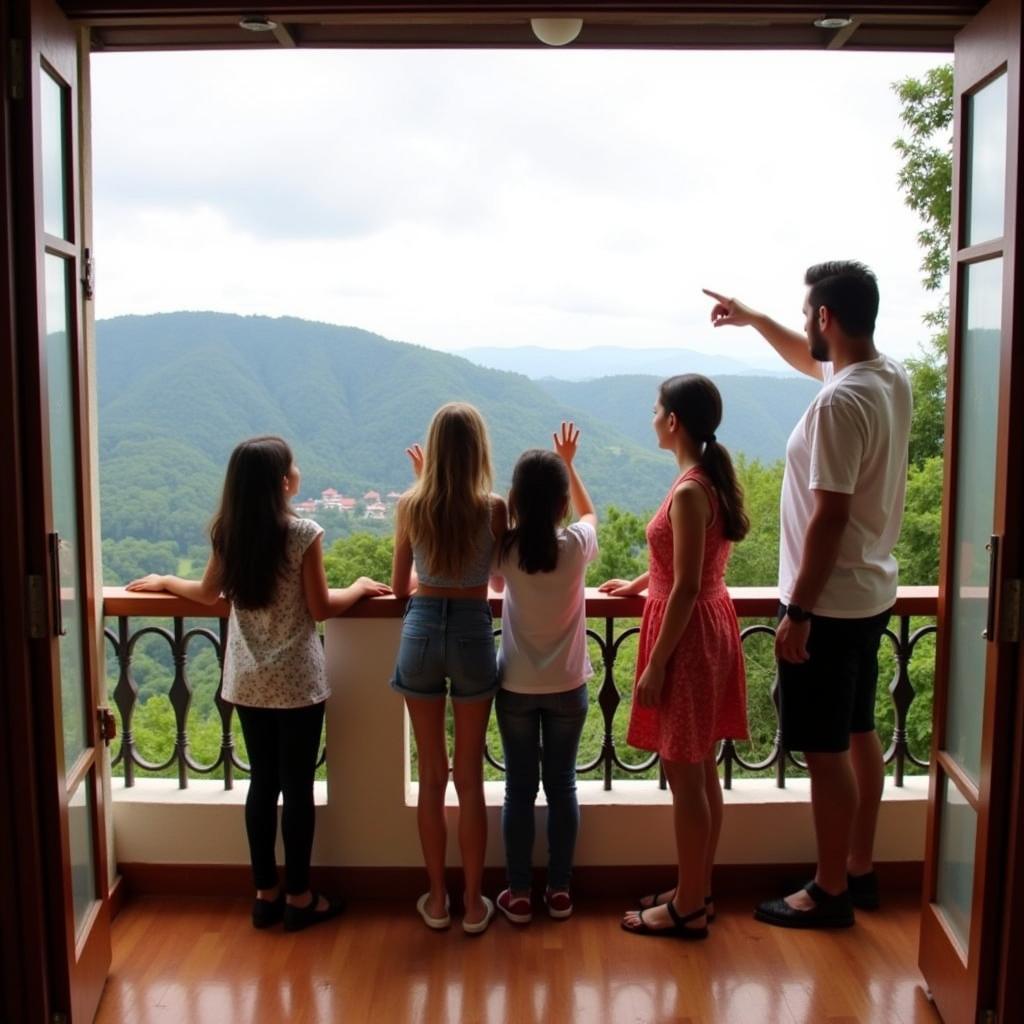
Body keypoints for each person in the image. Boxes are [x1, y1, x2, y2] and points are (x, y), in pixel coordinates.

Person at [704, 261, 911, 928]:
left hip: (829, 604)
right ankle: (858, 868)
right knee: (858, 734)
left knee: (826, 751)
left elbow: (830, 515)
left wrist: (797, 611)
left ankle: (828, 893)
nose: (802, 325)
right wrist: (755, 317)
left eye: (803, 315)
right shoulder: (886, 378)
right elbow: (811, 361)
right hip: (871, 593)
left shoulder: (840, 403)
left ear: (826, 318)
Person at [127, 436, 391, 931]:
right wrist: (356, 587)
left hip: (247, 681)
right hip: (297, 683)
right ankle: (300, 897)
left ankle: (264, 894)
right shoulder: (303, 533)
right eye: (293, 467)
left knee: (261, 786)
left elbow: (206, 593)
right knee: (296, 788)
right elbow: (319, 607)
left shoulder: (230, 533)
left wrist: (165, 579)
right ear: (282, 482)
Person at [602, 375, 749, 940]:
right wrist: (641, 582)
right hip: (705, 624)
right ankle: (698, 889)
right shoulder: (700, 481)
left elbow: (687, 584)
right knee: (700, 769)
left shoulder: (690, 489)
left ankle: (688, 906)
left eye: (655, 409)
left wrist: (657, 663)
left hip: (686, 638)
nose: (650, 417)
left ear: (673, 422)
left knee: (685, 777)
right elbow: (687, 562)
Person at [390, 402, 507, 935]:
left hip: (419, 630)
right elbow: (498, 583)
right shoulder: (494, 508)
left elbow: (397, 589)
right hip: (471, 630)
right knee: (470, 778)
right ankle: (475, 904)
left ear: (432, 449)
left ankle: (437, 901)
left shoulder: (411, 506)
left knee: (432, 776)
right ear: (478, 449)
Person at [489, 422, 598, 925]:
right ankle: (559, 891)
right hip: (568, 687)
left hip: (514, 686)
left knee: (518, 788)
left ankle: (517, 892)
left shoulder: (507, 552)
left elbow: (490, 578)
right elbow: (590, 513)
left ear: (515, 500)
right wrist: (570, 465)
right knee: (562, 787)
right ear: (559, 505)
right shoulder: (575, 547)